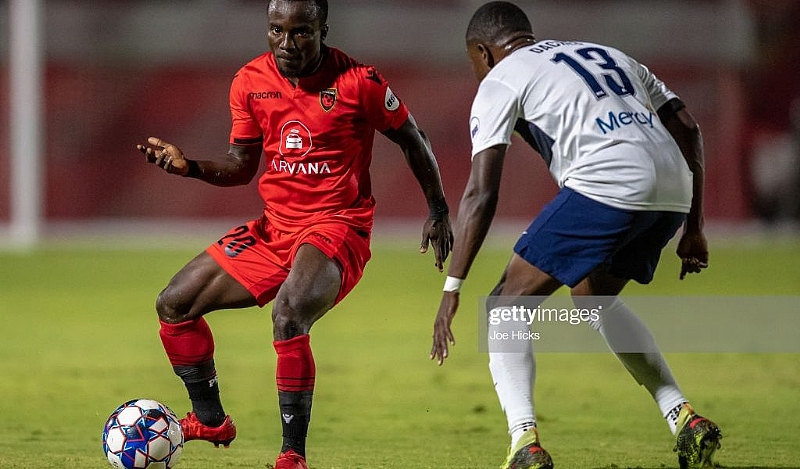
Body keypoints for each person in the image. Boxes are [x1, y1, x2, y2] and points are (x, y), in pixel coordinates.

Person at [135, 1, 453, 468]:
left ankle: (292, 457)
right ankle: (211, 421)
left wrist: (439, 207)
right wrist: (192, 168)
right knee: (174, 304)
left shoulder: (360, 82)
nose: (286, 43)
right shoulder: (249, 81)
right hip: (273, 229)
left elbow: (414, 139)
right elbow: (242, 166)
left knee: (288, 315)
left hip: (337, 227)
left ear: (323, 30)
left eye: (301, 32)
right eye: (275, 30)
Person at [430, 2, 721, 469]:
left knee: (504, 306)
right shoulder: (610, 53)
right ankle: (683, 418)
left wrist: (452, 287)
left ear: (483, 52)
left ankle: (525, 446)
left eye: (473, 62)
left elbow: (481, 193)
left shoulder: (501, 78)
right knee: (593, 299)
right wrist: (695, 226)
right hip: (672, 187)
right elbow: (688, 129)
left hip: (609, 184)